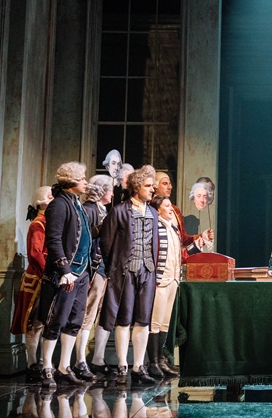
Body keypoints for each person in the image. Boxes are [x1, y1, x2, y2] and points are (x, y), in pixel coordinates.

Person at [99, 165, 159, 385]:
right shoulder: (119, 211)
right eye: (148, 186)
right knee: (124, 319)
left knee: (143, 320)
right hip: (125, 273)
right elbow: (106, 243)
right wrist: (114, 268)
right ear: (136, 187)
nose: (152, 190)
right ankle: (123, 365)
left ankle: (138, 366)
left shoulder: (153, 212)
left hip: (147, 271)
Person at [38, 162, 96, 387]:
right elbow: (53, 240)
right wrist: (64, 270)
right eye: (82, 178)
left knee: (74, 321)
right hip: (66, 273)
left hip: (82, 272)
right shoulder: (59, 205)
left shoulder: (77, 203)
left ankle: (64, 367)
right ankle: (47, 367)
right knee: (56, 320)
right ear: (71, 181)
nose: (85, 182)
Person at [146, 195, 205, 379]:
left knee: (164, 323)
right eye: (167, 206)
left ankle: (161, 360)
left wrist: (197, 245)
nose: (171, 209)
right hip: (160, 280)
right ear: (158, 210)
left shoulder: (173, 229)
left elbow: (181, 255)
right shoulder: (155, 227)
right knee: (155, 323)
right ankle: (153, 363)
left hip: (173, 280)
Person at [10, 186, 53, 383]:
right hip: (38, 279)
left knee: (47, 322)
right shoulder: (38, 224)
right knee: (35, 323)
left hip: (49, 277)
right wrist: (48, 273)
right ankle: (32, 363)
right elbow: (36, 253)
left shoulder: (50, 223)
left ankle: (45, 362)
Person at [74, 175, 114, 379]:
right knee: (86, 315)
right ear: (101, 190)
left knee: (95, 315)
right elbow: (84, 240)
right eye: (110, 189)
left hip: (104, 269)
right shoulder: (89, 209)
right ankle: (79, 361)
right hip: (93, 269)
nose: (113, 194)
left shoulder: (103, 210)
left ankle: (92, 359)